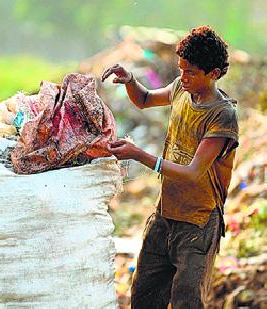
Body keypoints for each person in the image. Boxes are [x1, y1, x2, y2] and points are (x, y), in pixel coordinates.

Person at [101, 25, 239, 308]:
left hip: (197, 224)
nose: (183, 77)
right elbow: (144, 99)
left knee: (186, 302)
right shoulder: (180, 89)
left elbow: (192, 173)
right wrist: (129, 80)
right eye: (181, 70)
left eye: (191, 72)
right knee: (144, 296)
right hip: (165, 214)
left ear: (213, 73)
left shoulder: (222, 116)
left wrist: (138, 155)